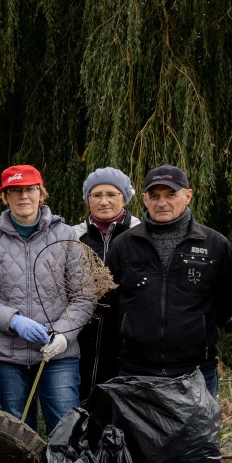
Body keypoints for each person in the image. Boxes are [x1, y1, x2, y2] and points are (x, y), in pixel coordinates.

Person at [0, 165, 94, 434]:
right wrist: (13, 321)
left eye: (30, 189)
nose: (23, 196)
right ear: (5, 197)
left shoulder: (65, 235)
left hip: (58, 355)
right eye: (15, 190)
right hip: (7, 354)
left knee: (65, 430)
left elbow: (83, 296)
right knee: (17, 435)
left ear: (41, 193)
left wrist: (62, 334)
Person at [100, 164, 232, 398]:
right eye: (154, 196)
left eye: (171, 194)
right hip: (136, 371)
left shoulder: (215, 245)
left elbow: (225, 304)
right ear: (144, 199)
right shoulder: (123, 245)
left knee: (195, 436)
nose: (161, 203)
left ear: (188, 195)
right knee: (137, 435)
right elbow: (109, 304)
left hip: (196, 372)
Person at [69, 167, 139, 398]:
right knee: (83, 406)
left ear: (125, 197)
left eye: (112, 194)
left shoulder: (140, 234)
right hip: (81, 339)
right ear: (87, 198)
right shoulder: (72, 236)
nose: (104, 201)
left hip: (127, 340)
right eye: (96, 195)